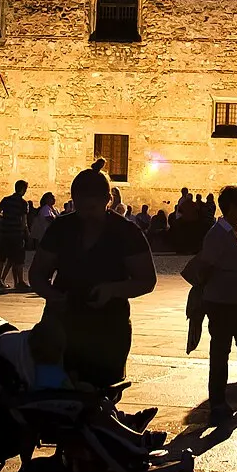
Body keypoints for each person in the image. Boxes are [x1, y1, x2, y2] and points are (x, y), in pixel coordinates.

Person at [29, 166, 158, 390]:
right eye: (81, 207)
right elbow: (38, 273)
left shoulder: (126, 232)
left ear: (108, 200)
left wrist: (112, 290)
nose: (87, 214)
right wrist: (53, 296)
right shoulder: (61, 228)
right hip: (61, 328)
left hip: (107, 330)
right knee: (54, 394)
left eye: (93, 207)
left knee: (100, 395)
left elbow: (147, 280)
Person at [189, 185, 237, 427]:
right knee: (221, 350)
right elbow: (205, 267)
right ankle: (218, 402)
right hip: (221, 302)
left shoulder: (234, 231)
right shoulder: (217, 234)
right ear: (231, 206)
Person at [0, 179, 32, 293]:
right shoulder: (23, 203)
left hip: (5, 233)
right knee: (18, 259)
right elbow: (23, 222)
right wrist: (27, 233)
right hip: (16, 234)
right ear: (22, 189)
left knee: (1, 258)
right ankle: (20, 281)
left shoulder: (6, 200)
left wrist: (3, 223)